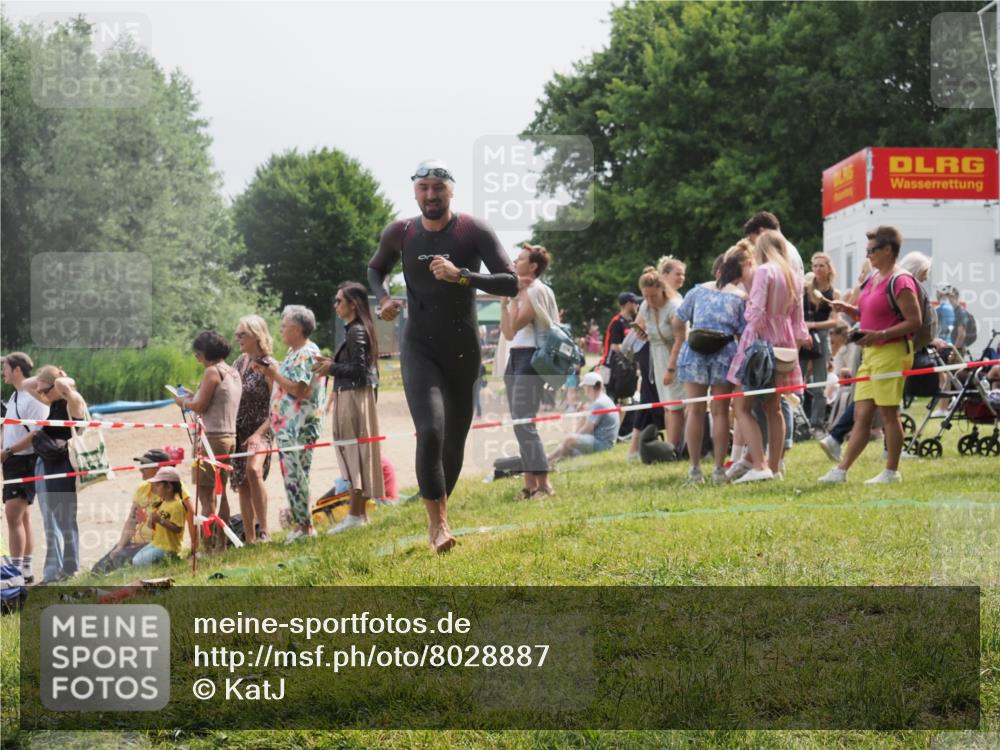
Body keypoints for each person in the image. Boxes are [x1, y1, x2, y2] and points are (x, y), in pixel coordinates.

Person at [368, 160, 517, 553]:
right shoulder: (400, 232)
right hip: (419, 348)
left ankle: (441, 510)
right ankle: (438, 527)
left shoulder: (472, 230)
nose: (431, 195)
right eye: (424, 188)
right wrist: (383, 299)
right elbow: (375, 269)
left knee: (453, 444)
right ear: (415, 192)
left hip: (463, 351)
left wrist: (462, 275)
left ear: (451, 190)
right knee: (430, 431)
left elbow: (511, 282)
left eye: (438, 187)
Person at [820, 226, 922, 484]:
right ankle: (841, 471)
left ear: (888, 250)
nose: (868, 255)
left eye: (872, 250)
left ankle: (891, 472)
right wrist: (849, 310)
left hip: (892, 352)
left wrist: (880, 334)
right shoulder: (872, 278)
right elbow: (868, 313)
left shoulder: (901, 281)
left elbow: (914, 321)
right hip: (870, 352)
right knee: (861, 414)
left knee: (889, 414)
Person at [727, 230, 809, 483]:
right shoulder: (793, 275)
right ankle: (774, 466)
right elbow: (799, 321)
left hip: (759, 342)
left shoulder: (765, 271)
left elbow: (756, 312)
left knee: (741, 406)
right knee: (774, 408)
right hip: (784, 341)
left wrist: (747, 313)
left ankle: (759, 464)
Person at [675, 243, 752, 483]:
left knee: (695, 410)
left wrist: (685, 337)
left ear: (718, 270)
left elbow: (678, 319)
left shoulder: (697, 291)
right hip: (724, 354)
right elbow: (744, 331)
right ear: (738, 274)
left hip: (695, 352)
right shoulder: (740, 298)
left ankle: (694, 469)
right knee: (720, 412)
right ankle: (719, 469)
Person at [313, 282, 384, 534]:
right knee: (354, 452)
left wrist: (331, 368)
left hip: (354, 396)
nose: (335, 305)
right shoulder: (355, 330)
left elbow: (359, 370)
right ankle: (357, 514)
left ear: (353, 304)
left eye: (339, 301)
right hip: (352, 395)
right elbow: (356, 365)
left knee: (355, 453)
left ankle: (356, 515)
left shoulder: (357, 331)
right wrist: (331, 363)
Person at [258, 305, 325, 543]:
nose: (281, 330)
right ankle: (300, 524)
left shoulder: (306, 353)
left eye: (284, 326)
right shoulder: (294, 352)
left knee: (297, 476)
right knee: (292, 476)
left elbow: (299, 389)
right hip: (288, 427)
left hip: (299, 428)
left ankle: (305, 527)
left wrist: (274, 373)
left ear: (296, 329)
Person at [500, 243, 559, 500]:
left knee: (525, 422)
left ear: (533, 266)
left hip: (531, 359)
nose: (515, 261)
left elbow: (516, 323)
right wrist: (505, 302)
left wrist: (514, 297)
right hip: (515, 357)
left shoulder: (537, 291)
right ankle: (530, 485)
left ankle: (544, 484)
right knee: (519, 423)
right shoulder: (522, 292)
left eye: (521, 258)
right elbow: (508, 333)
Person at [174, 331, 242, 553]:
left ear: (205, 353)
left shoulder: (212, 371)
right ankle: (221, 544)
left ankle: (207, 547)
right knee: (221, 493)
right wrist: (194, 396)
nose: (197, 358)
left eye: (198, 353)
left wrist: (183, 402)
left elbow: (201, 406)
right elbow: (215, 401)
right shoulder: (232, 371)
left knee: (206, 495)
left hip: (211, 438)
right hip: (229, 436)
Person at [23, 365, 88, 583]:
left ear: (56, 387)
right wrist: (46, 379)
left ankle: (70, 568)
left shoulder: (73, 401)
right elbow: (27, 384)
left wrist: (61, 379)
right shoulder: (52, 401)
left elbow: (61, 384)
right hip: (49, 462)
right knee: (53, 517)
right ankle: (61, 568)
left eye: (44, 390)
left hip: (63, 464)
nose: (40, 393)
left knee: (65, 518)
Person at [92, 448, 193, 573]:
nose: (141, 469)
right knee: (98, 569)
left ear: (159, 468)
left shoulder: (174, 488)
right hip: (135, 541)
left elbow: (191, 516)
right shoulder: (142, 488)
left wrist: (194, 550)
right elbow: (131, 520)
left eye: (145, 465)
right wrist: (120, 546)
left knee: (121, 564)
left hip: (155, 543)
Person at [1, 352, 47, 584]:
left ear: (17, 370)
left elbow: (36, 434)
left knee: (13, 515)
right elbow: (10, 428)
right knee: (22, 516)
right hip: (13, 460)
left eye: (6, 368)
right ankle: (26, 569)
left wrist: (8, 451)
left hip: (23, 460)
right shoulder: (15, 395)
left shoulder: (33, 398)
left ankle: (16, 570)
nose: (3, 372)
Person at [231, 315, 275, 544]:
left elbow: (277, 407)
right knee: (242, 483)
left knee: (254, 470)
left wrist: (258, 434)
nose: (237, 338)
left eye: (242, 334)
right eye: (236, 334)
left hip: (262, 429)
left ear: (256, 336)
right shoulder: (239, 362)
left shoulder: (270, 365)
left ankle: (264, 530)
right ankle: (249, 538)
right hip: (238, 430)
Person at [635, 264, 686, 450]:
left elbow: (681, 339)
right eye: (646, 296)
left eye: (653, 296)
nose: (649, 300)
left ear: (662, 290)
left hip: (676, 356)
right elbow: (640, 324)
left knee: (676, 406)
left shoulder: (674, 307)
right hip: (657, 357)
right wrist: (641, 332)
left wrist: (671, 369)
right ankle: (671, 446)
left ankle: (674, 448)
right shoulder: (645, 306)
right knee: (667, 404)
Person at [801, 253, 841, 438]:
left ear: (828, 268)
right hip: (802, 337)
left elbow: (834, 321)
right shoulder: (805, 289)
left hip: (821, 337)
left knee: (819, 383)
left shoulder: (834, 293)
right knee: (797, 383)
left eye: (821, 266)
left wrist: (813, 325)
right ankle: (799, 422)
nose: (817, 269)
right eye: (815, 265)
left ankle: (817, 425)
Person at [547, 372, 620, 463]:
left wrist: (573, 436)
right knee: (570, 447)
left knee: (569, 440)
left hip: (602, 444)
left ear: (589, 387)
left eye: (584, 387)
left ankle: (549, 459)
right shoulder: (602, 400)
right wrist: (584, 415)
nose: (584, 390)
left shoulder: (599, 403)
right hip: (605, 441)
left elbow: (587, 429)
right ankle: (553, 458)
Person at [131, 466, 194, 566]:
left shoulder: (177, 506)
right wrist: (152, 521)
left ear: (169, 487)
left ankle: (171, 557)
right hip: (158, 542)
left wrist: (160, 520)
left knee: (137, 562)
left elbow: (178, 529)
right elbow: (153, 527)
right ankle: (160, 560)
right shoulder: (162, 503)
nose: (155, 489)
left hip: (168, 547)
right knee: (135, 559)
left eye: (157, 486)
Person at [601, 292, 640, 365]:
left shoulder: (632, 322)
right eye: (635, 302)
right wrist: (634, 352)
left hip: (626, 363)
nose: (637, 305)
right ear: (628, 304)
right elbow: (615, 346)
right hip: (612, 364)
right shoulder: (617, 321)